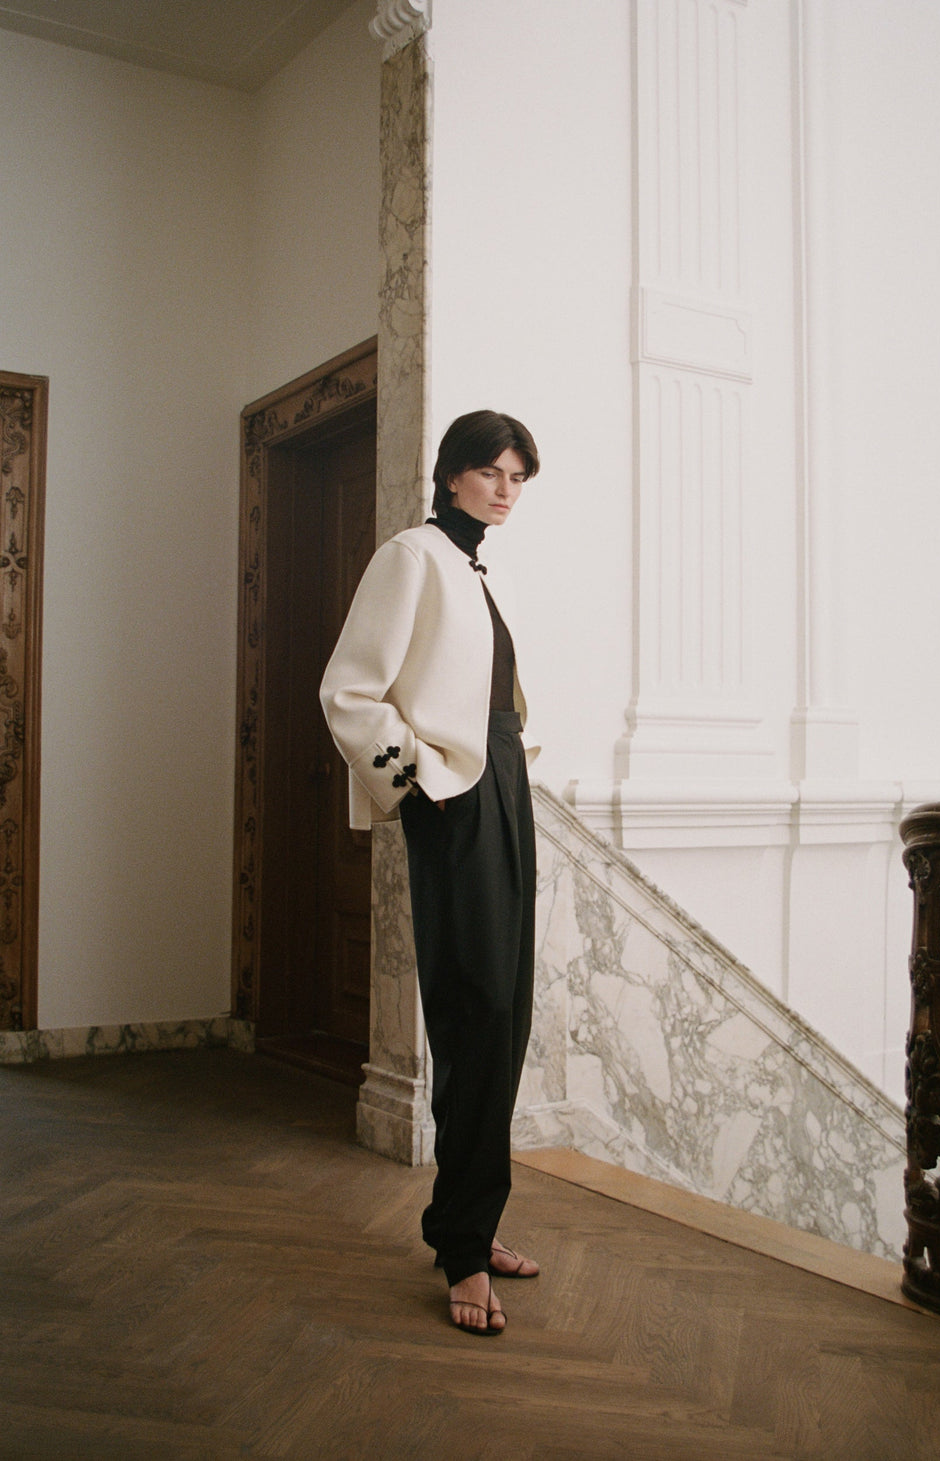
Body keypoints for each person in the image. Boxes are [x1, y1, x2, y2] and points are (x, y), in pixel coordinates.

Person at [320, 409, 542, 1336]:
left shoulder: (470, 568)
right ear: (452, 473)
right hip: (454, 801)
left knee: (506, 1012)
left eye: (518, 477)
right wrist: (418, 785)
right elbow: (347, 690)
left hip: (504, 790)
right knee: (472, 1007)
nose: (505, 488)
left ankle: (473, 1220)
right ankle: (459, 1250)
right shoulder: (411, 555)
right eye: (491, 471)